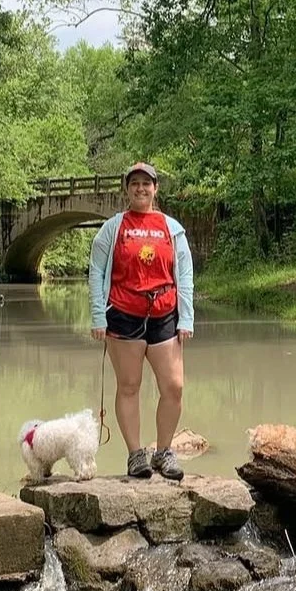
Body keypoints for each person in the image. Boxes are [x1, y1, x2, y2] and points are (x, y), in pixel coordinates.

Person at [88, 162, 194, 480]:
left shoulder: (172, 229)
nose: (140, 188)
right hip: (123, 315)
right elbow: (96, 272)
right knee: (129, 386)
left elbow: (185, 275)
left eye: (146, 184)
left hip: (164, 315)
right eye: (134, 183)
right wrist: (97, 316)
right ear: (127, 189)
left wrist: (186, 318)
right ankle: (136, 455)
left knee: (173, 387)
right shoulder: (113, 228)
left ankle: (163, 452)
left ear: (155, 189)